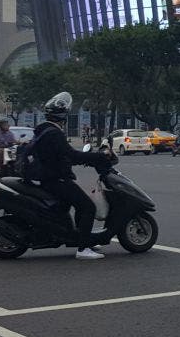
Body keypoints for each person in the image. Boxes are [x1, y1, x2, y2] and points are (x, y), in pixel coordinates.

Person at [29, 92, 115, 260]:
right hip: (57, 180)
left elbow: (63, 156)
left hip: (50, 178)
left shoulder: (44, 130)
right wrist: (99, 156)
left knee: (79, 205)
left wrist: (86, 159)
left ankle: (82, 239)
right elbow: (72, 155)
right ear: (63, 116)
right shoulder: (54, 133)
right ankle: (83, 249)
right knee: (88, 207)